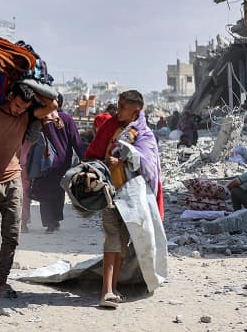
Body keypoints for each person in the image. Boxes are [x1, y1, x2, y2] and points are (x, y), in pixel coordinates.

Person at [0, 82, 57, 298]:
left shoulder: (27, 116)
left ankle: (2, 281)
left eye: (23, 107)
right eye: (16, 105)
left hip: (13, 181)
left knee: (12, 234)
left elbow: (52, 103)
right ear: (9, 97)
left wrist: (26, 83)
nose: (18, 110)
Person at [85, 90, 164, 309]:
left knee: (122, 242)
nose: (117, 111)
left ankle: (114, 287)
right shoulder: (110, 127)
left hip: (133, 198)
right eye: (118, 105)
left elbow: (149, 166)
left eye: (122, 107)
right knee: (112, 237)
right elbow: (94, 154)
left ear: (135, 111)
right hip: (110, 193)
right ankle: (106, 291)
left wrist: (126, 158)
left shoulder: (145, 134)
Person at [30, 108, 84, 233]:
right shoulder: (66, 118)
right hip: (63, 162)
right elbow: (76, 141)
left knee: (45, 192)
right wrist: (84, 158)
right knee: (59, 191)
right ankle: (56, 219)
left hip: (45, 161)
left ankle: (50, 223)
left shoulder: (42, 118)